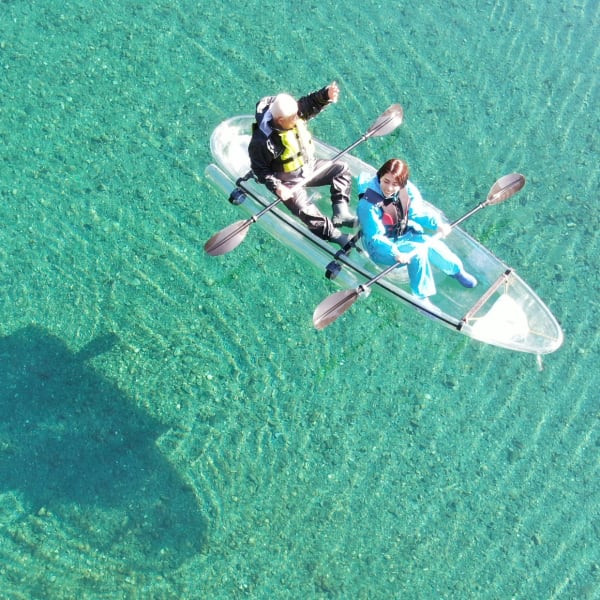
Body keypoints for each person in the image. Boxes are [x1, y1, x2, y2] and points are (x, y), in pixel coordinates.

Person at [248, 82, 356, 248]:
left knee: (341, 169)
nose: (298, 117)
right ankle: (336, 235)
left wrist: (326, 95)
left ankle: (340, 212)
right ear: (280, 120)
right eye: (293, 117)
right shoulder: (263, 141)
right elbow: (259, 170)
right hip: (287, 180)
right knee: (305, 210)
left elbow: (308, 104)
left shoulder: (293, 114)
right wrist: (277, 186)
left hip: (308, 166)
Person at [357, 158, 477, 308]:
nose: (389, 188)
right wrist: (394, 252)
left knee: (430, 243)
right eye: (386, 181)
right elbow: (375, 237)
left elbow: (417, 212)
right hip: (381, 247)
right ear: (379, 177)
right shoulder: (368, 204)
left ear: (402, 183)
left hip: (405, 234)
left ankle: (456, 271)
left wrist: (437, 224)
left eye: (395, 184)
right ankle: (421, 298)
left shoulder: (407, 191)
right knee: (418, 253)